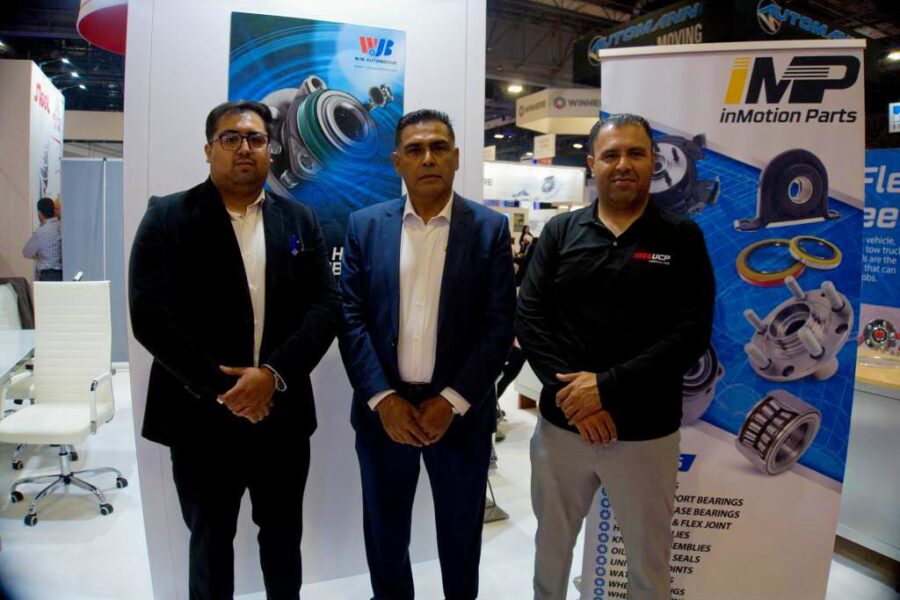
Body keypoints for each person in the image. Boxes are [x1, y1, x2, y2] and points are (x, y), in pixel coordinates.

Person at [129, 100, 341, 600]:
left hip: (281, 417)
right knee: (209, 544)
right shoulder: (167, 216)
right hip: (199, 418)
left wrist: (273, 375)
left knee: (283, 541)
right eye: (231, 138)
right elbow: (150, 317)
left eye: (256, 138)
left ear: (271, 149)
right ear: (209, 150)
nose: (244, 148)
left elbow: (326, 305)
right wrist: (227, 388)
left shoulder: (301, 220)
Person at [516, 113, 714, 600]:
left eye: (635, 153)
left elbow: (690, 334)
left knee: (648, 566)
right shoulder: (561, 232)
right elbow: (531, 319)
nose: (623, 164)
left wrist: (605, 388)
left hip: (645, 433)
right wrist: (576, 400)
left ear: (652, 161)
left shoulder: (681, 237)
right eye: (611, 155)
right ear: (592, 164)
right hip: (563, 430)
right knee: (550, 555)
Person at [339, 109, 516, 600]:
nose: (428, 158)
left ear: (456, 157)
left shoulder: (489, 229)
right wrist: (383, 399)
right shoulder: (364, 227)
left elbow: (499, 325)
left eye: (438, 147)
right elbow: (350, 319)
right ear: (398, 162)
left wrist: (452, 401)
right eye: (415, 150)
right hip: (383, 417)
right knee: (386, 537)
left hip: (460, 417)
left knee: (460, 538)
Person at [22, 197, 62, 281]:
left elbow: (26, 252)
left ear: (40, 213)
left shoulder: (40, 232)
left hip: (47, 275)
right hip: (63, 274)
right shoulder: (62, 227)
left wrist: (39, 256)